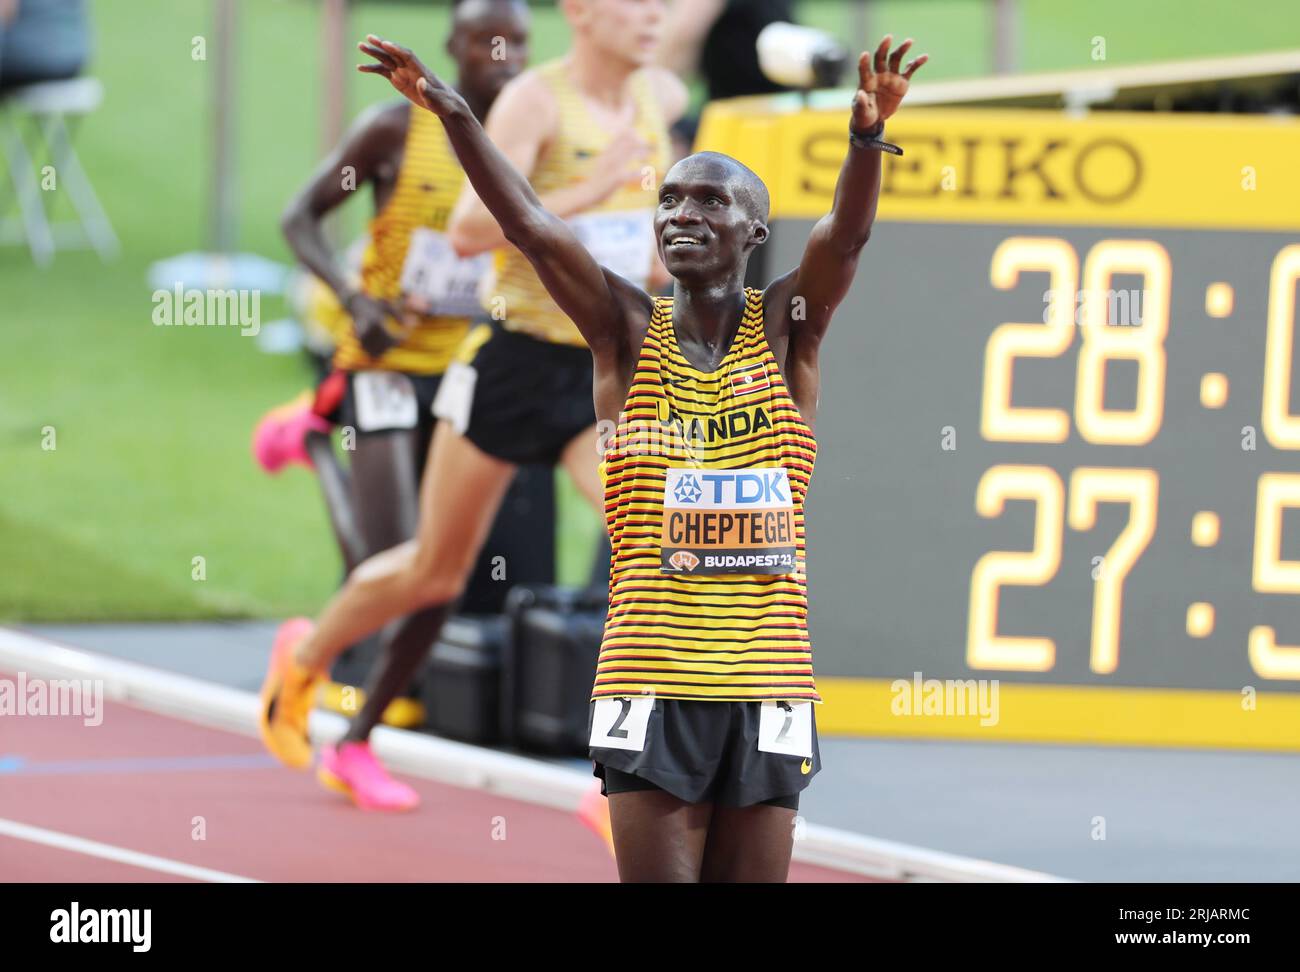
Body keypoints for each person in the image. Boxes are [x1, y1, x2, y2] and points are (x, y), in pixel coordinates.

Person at [353, 30, 926, 881]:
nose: (682, 215)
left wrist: (867, 141)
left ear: (755, 229)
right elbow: (533, 226)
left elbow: (843, 242)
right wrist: (460, 116)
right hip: (648, 674)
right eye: (670, 201)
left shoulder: (785, 333)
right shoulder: (625, 331)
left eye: (709, 204)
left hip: (769, 680)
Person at [258, 0, 686, 819]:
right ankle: (305, 660)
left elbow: (643, 236)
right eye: (635, 3)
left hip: (600, 369)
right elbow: (464, 231)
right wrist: (592, 185)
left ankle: (629, 773)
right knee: (436, 569)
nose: (656, 15)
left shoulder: (658, 98)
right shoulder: (536, 100)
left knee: (655, 544)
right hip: (514, 360)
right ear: (583, 13)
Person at [255, 0, 530, 812]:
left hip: (463, 370)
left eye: (519, 41)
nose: (505, 56)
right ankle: (311, 437)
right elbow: (298, 216)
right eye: (488, 41)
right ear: (451, 47)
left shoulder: (520, 134)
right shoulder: (391, 130)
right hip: (377, 362)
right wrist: (349, 297)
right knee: (394, 550)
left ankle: (359, 738)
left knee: (434, 572)